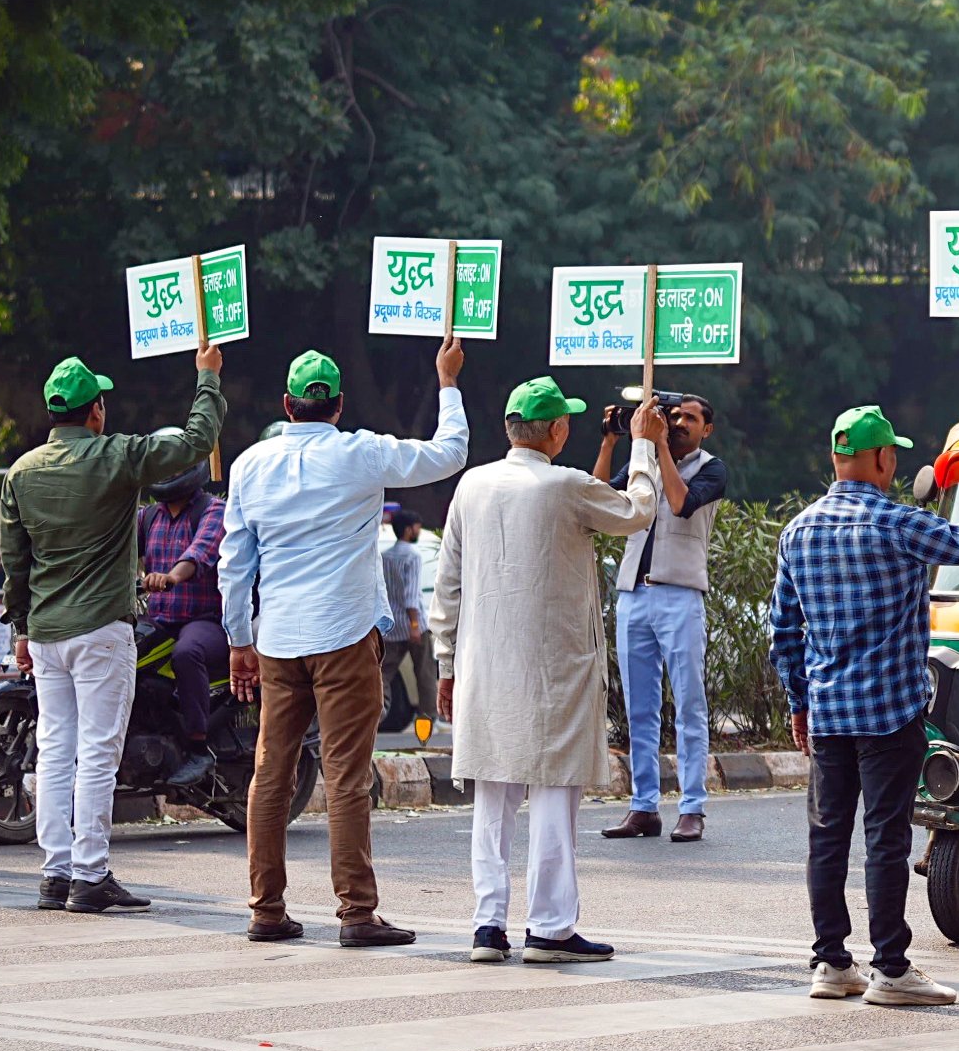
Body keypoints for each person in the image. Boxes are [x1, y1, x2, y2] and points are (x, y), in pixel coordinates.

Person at [771, 405, 959, 1007]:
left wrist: (798, 703)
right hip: (890, 714)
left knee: (827, 839)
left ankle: (832, 962)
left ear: (836, 460)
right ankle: (890, 968)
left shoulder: (798, 531)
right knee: (886, 838)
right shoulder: (898, 524)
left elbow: (784, 632)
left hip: (829, 713)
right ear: (885, 460)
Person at [220, 341, 468, 947]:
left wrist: (239, 640)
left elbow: (234, 564)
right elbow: (450, 453)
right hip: (345, 636)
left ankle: (266, 908)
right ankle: (357, 912)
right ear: (337, 406)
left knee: (271, 772)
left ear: (287, 404)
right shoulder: (362, 452)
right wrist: (447, 380)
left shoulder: (250, 465)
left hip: (278, 639)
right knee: (347, 774)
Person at [433, 377, 664, 964]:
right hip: (554, 671)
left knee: (492, 798)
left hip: (484, 666)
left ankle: (488, 926)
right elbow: (638, 511)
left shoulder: (472, 484)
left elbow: (448, 582)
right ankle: (550, 928)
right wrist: (641, 445)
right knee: (555, 799)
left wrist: (445, 662)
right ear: (558, 431)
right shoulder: (566, 485)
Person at [0, 348, 224, 914]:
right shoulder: (117, 457)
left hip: (48, 635)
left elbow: (15, 566)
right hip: (101, 630)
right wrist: (208, 376)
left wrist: (22, 631)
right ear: (95, 411)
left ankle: (55, 873)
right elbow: (196, 442)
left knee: (55, 752)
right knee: (98, 753)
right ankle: (90, 875)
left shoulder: (20, 473)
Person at [594, 395, 727, 842]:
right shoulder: (642, 462)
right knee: (640, 708)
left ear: (707, 428)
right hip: (634, 594)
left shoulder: (712, 469)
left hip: (681, 593)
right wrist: (613, 442)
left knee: (689, 704)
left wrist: (660, 448)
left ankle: (692, 806)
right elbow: (599, 504)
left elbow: (680, 501)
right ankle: (643, 806)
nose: (679, 423)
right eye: (674, 417)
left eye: (690, 418)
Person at [137, 444, 230, 787]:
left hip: (205, 620)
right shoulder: (148, 516)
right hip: (159, 620)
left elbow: (200, 551)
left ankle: (198, 747)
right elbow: (113, 547)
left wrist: (173, 576)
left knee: (186, 653)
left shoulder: (213, 510)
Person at [380, 510, 437, 733]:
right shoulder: (412, 555)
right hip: (414, 626)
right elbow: (411, 595)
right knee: (424, 674)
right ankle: (427, 722)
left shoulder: (385, 557)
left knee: (383, 672)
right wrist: (414, 626)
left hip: (392, 627)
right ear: (407, 529)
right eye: (416, 527)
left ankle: (378, 711)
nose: (418, 531)